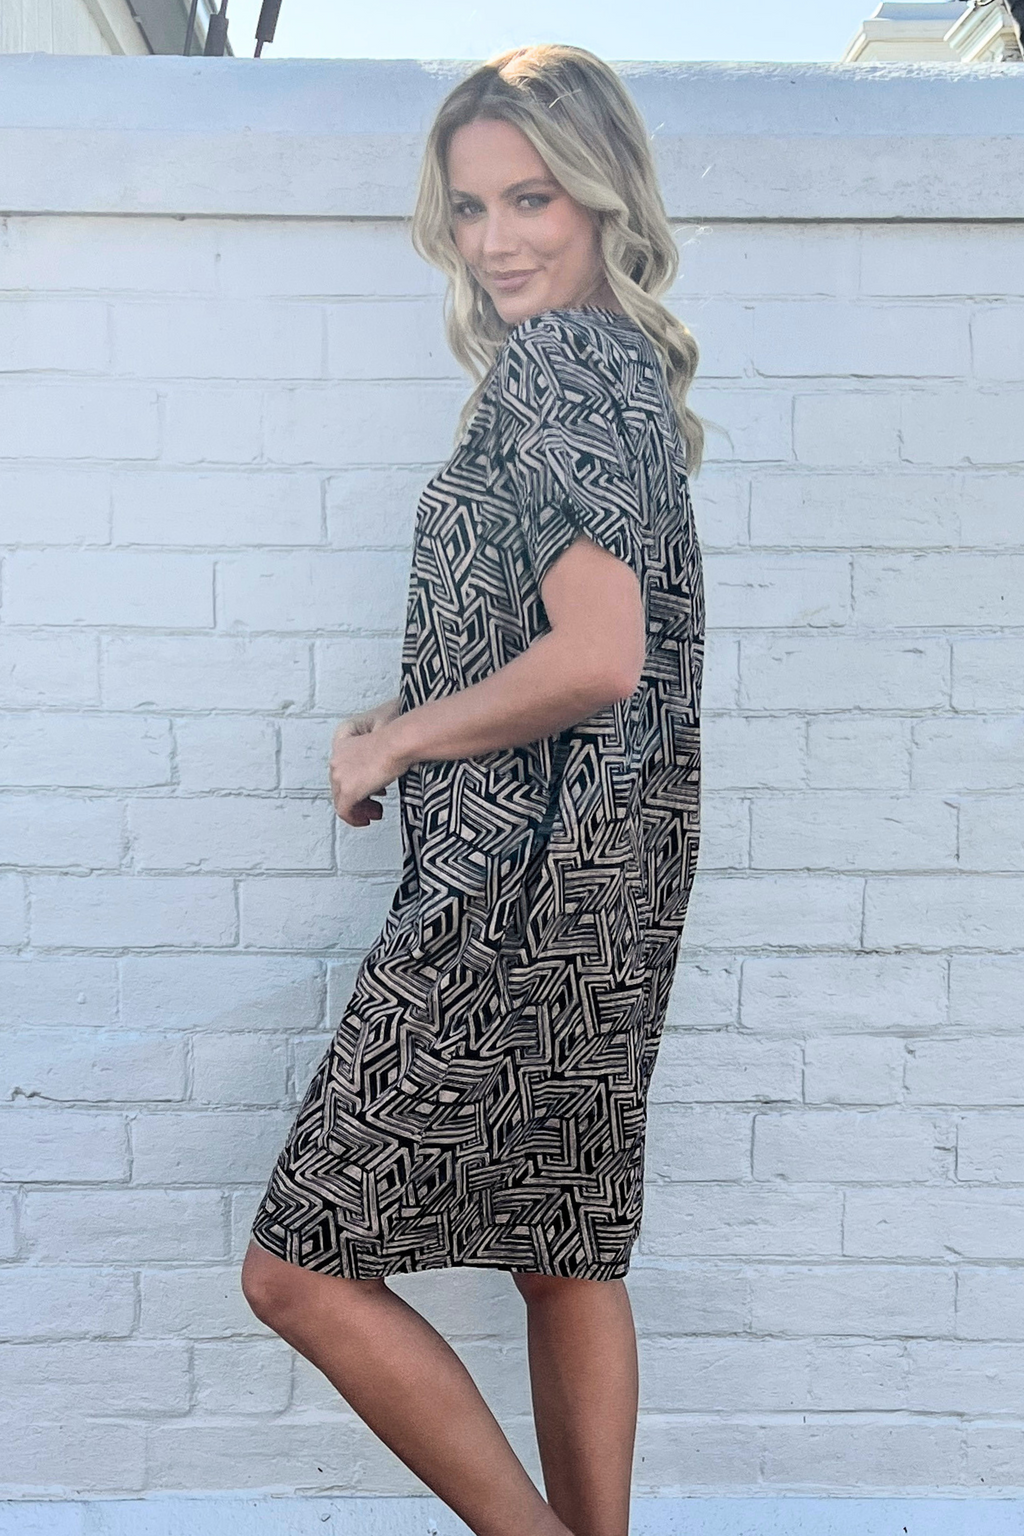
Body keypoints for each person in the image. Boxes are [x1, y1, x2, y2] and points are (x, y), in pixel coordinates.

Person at [241, 42, 705, 1536]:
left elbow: (601, 655)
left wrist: (394, 747)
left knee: (296, 1270)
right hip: (609, 890)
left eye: (532, 198)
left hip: (513, 895)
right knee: (563, 1252)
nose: (497, 239)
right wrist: (419, 710)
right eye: (471, 206)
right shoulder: (620, 364)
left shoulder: (559, 364)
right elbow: (566, 643)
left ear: (602, 196)